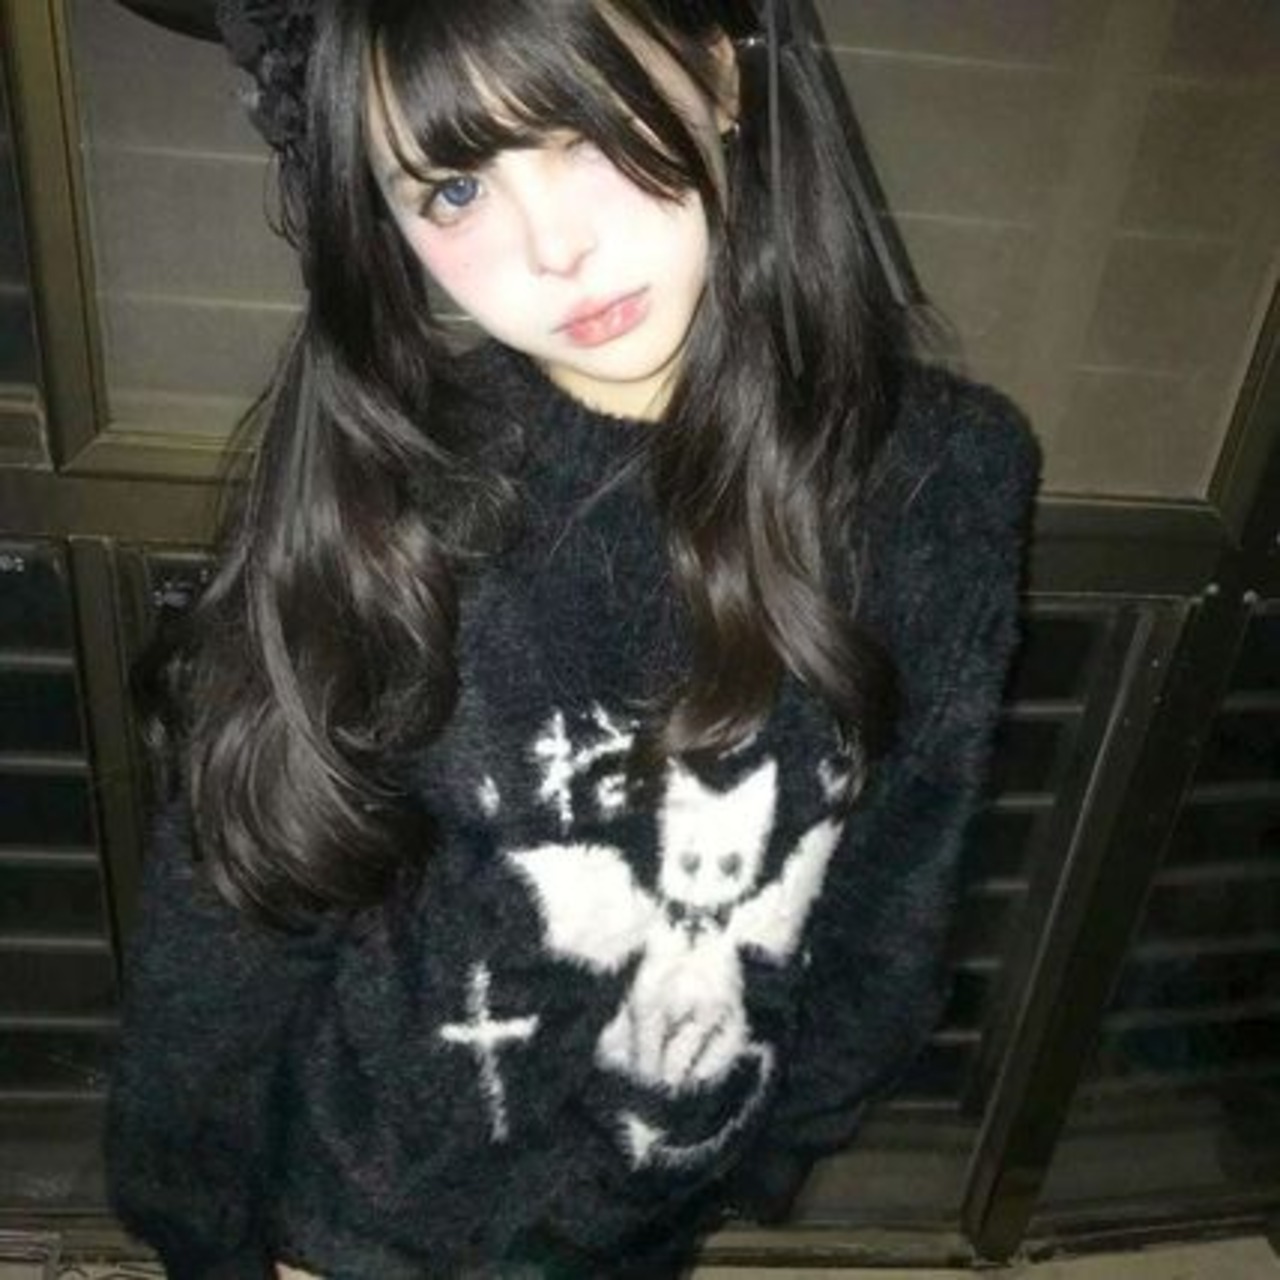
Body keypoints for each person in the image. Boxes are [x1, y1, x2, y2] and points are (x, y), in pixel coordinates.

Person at [104, 0, 1041, 1276]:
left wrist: (776, 1139)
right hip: (363, 1227)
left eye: (585, 131)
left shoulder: (948, 480)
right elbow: (238, 911)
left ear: (718, 72)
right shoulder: (391, 499)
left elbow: (897, 871)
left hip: (647, 1207)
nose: (553, 247)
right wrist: (211, 1233)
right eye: (452, 190)